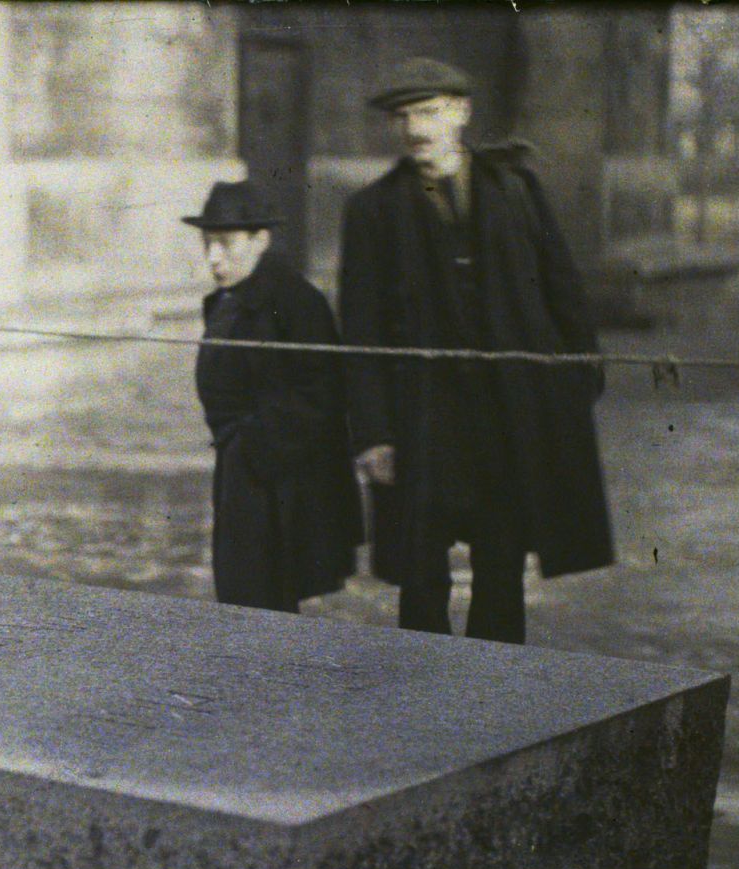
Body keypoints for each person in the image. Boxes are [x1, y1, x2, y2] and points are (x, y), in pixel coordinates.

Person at [338, 58, 612, 645]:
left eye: (430, 112)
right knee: (420, 575)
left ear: (462, 113)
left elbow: (564, 295)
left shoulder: (515, 189)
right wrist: (373, 433)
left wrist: (574, 387)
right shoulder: (372, 210)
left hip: (503, 416)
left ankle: (496, 696)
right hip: (421, 420)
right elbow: (358, 331)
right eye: (405, 116)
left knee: (501, 568)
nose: (417, 129)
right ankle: (420, 697)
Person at [185, 182, 359, 613]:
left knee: (264, 598)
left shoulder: (293, 301)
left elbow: (321, 390)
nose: (213, 257)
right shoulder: (235, 299)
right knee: (245, 594)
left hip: (278, 481)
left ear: (261, 240)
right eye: (208, 243)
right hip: (244, 465)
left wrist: (254, 445)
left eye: (225, 243)